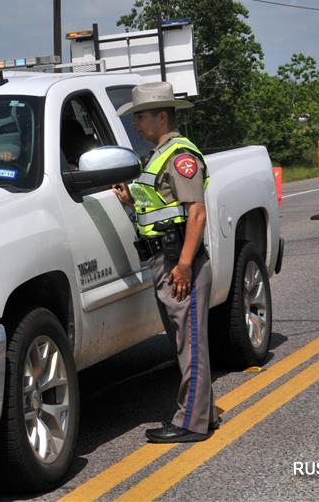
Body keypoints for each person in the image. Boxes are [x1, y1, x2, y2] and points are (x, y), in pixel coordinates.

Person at [111, 81, 218, 443]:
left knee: (191, 344)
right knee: (186, 342)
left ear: (161, 115)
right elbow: (161, 209)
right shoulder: (158, 155)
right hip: (165, 259)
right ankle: (202, 414)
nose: (136, 124)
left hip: (178, 262)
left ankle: (190, 423)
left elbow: (197, 214)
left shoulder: (180, 156)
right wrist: (130, 202)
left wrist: (184, 264)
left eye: (140, 116)